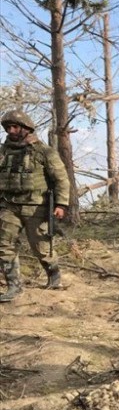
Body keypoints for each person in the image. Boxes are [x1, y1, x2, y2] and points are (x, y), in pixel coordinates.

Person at [0, 109, 70, 301]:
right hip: (8, 205)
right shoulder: (3, 152)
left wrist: (61, 204)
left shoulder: (43, 151)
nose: (11, 131)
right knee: (4, 245)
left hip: (36, 206)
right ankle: (14, 286)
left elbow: (61, 179)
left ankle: (54, 277)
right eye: (8, 127)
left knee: (41, 246)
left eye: (15, 126)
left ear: (26, 128)